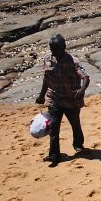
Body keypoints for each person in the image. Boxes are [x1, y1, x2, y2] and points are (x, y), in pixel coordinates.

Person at [35, 34, 89, 164]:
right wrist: (42, 95)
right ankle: (54, 155)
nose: (54, 52)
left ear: (64, 47)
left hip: (71, 100)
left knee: (75, 124)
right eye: (52, 49)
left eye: (57, 49)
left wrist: (82, 90)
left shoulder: (73, 61)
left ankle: (78, 145)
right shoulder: (48, 60)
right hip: (54, 99)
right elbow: (46, 79)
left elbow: (85, 77)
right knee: (53, 128)